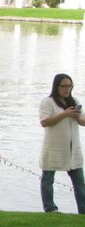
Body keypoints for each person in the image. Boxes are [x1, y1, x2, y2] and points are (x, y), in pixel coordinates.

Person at [39, 73, 85, 213]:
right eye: (64, 86)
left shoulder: (74, 101)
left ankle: (83, 211)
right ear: (56, 86)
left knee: (80, 182)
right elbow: (44, 122)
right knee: (48, 179)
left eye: (70, 86)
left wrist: (78, 118)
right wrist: (65, 114)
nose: (67, 89)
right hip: (54, 147)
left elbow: (82, 121)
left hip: (73, 149)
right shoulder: (48, 102)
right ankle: (50, 209)